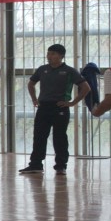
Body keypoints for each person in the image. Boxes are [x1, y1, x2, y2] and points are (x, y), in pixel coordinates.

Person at [19, 44, 91, 175]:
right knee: (39, 136)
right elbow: (31, 84)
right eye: (48, 53)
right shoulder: (42, 69)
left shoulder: (69, 71)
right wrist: (34, 99)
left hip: (60, 107)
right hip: (43, 107)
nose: (49, 56)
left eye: (52, 54)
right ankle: (35, 164)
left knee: (59, 137)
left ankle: (60, 166)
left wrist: (72, 103)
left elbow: (86, 87)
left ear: (61, 56)